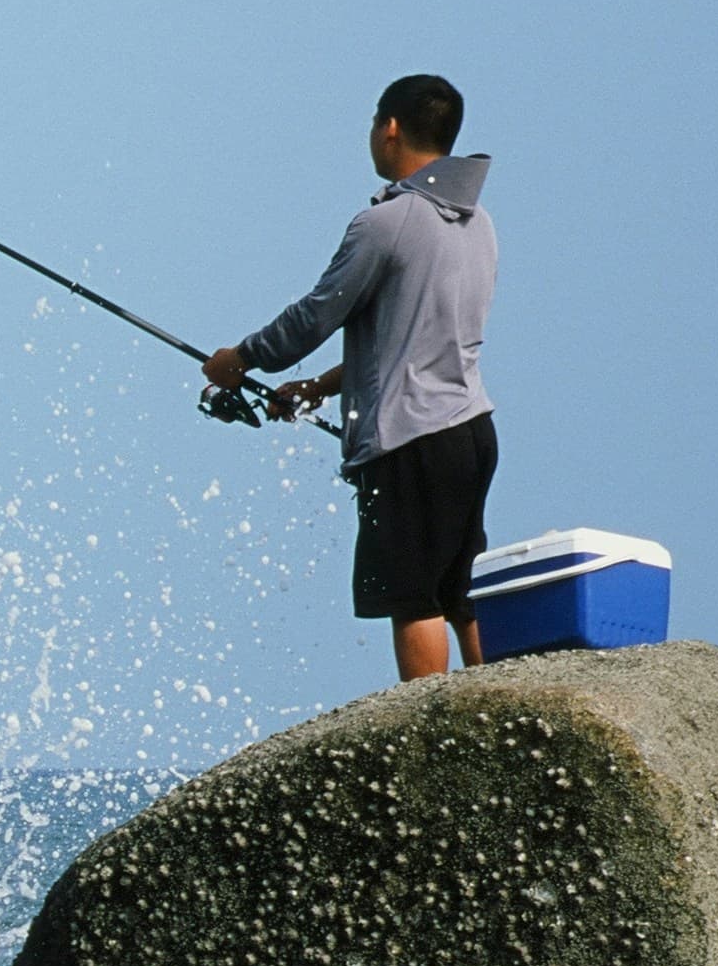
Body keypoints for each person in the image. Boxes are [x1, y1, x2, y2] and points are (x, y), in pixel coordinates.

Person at [201, 75, 498, 681]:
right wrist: (320, 388)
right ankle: (499, 703)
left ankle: (433, 735)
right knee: (461, 588)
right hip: (471, 432)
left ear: (389, 128)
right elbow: (415, 338)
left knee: (413, 597)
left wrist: (242, 359)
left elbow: (316, 315)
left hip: (409, 440)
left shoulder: (386, 223)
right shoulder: (478, 225)